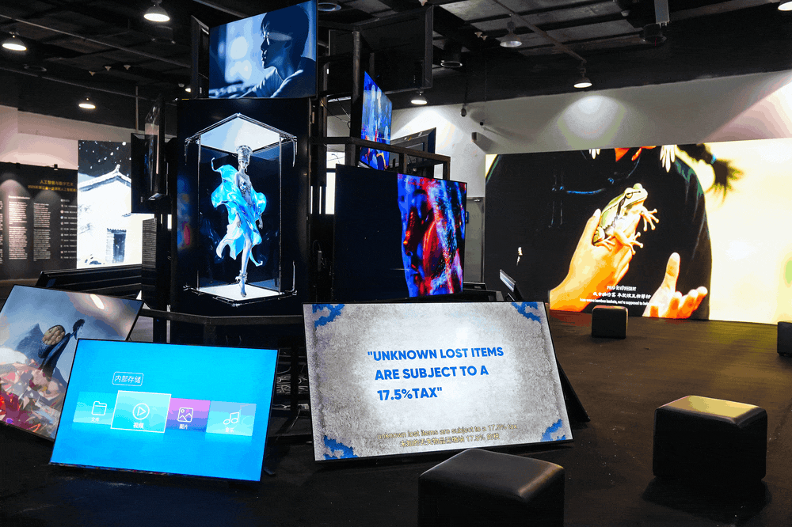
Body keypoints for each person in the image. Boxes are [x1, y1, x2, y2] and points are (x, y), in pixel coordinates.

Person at [485, 146, 711, 319]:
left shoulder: (681, 184)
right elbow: (486, 294)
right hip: (542, 347)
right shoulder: (524, 160)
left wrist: (662, 333)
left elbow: (694, 306)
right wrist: (568, 297)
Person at [211, 145, 267, 297]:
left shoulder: (248, 178)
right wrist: (236, 215)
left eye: (246, 161)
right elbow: (234, 195)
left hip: (249, 211)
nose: (244, 163)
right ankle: (242, 278)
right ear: (239, 161)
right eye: (242, 161)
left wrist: (259, 217)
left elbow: (253, 197)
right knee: (248, 240)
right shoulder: (237, 176)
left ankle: (241, 274)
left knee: (248, 240)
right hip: (241, 211)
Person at [241, 6, 315, 98]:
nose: (262, 47)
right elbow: (248, 97)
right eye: (264, 38)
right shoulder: (277, 75)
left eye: (268, 38)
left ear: (288, 41)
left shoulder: (302, 79)